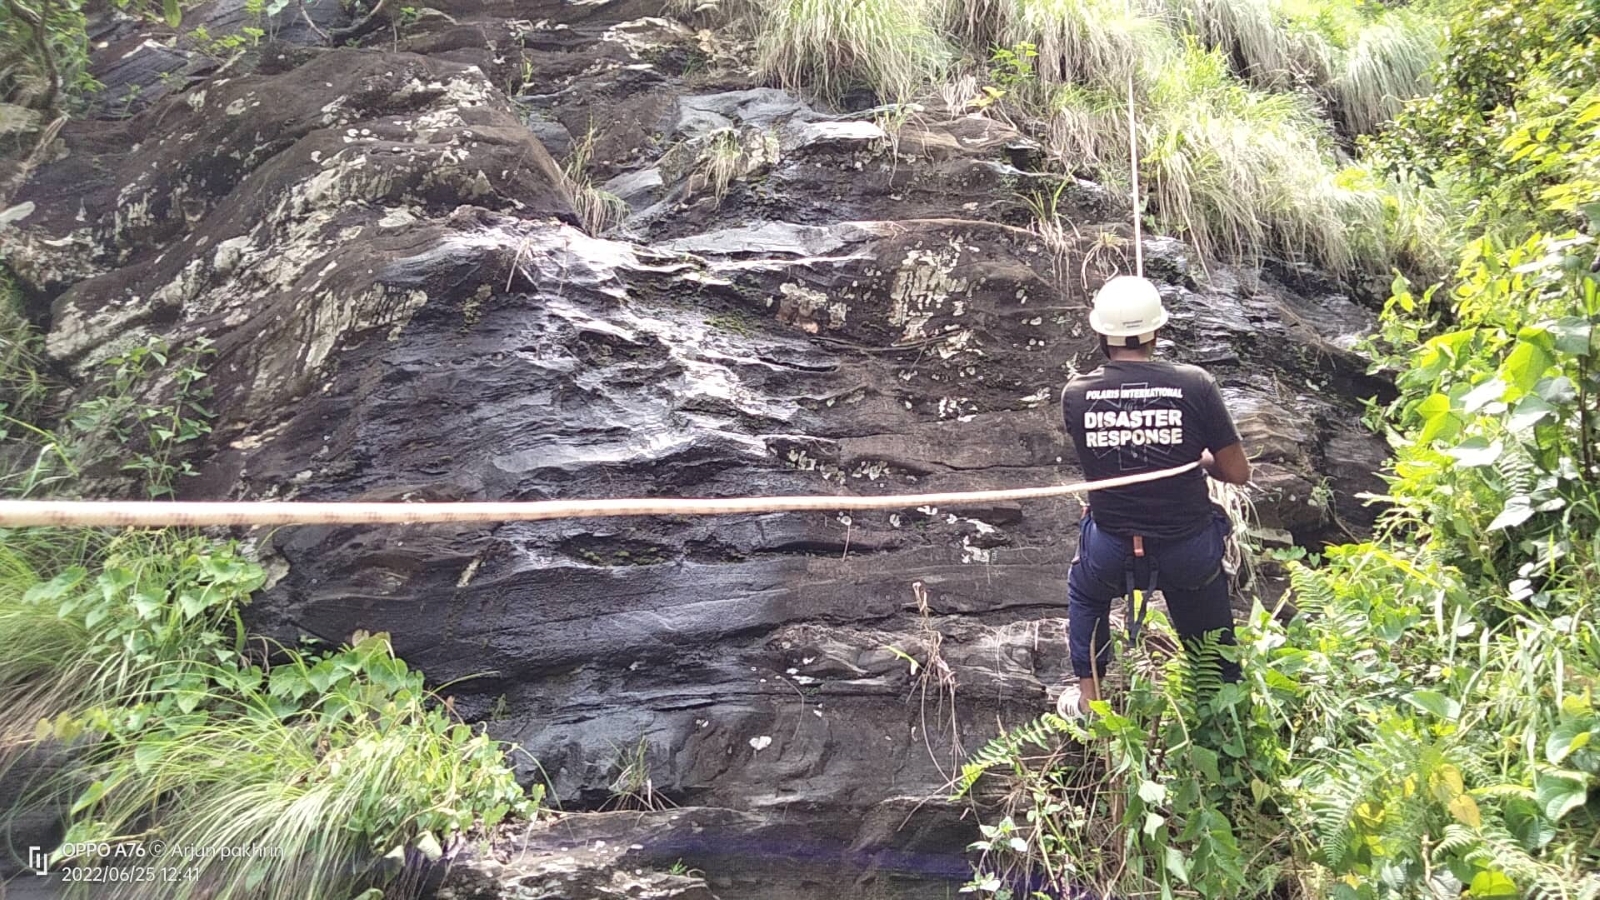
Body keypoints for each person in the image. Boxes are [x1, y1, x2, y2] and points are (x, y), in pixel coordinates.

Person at [1056, 275, 1251, 718]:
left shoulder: (1077, 395)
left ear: (1102, 333)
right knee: (1208, 628)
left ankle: (1091, 705)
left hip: (1113, 550)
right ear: (1155, 332)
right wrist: (1199, 459)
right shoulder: (1195, 384)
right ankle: (1222, 717)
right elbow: (1238, 473)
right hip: (1188, 550)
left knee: (1085, 592)